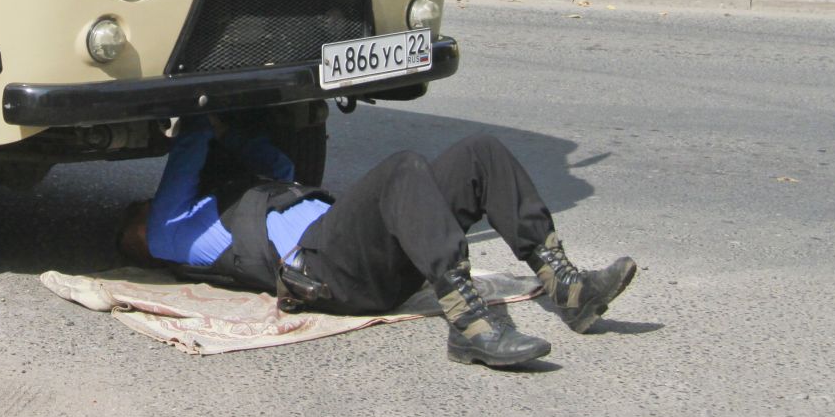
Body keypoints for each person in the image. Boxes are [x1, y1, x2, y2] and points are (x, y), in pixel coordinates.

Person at [118, 116, 637, 369]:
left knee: (480, 151)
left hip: (364, 253)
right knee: (402, 169)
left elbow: (278, 167)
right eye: (134, 221)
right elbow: (182, 161)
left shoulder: (227, 204)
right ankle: (470, 324)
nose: (145, 212)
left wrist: (227, 130)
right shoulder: (172, 236)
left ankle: (564, 282)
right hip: (326, 274)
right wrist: (197, 122)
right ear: (141, 240)